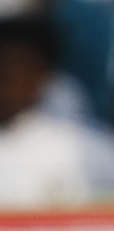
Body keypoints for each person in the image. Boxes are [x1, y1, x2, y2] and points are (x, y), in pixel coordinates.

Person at [0, 14, 99, 205]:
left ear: (41, 75)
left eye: (16, 70)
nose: (8, 83)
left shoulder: (74, 145)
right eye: (3, 72)